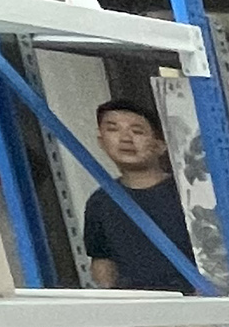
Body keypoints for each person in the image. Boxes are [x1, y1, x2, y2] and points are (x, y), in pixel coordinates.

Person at [80, 97, 200, 296]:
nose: (125, 138)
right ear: (101, 141)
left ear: (160, 145)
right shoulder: (100, 202)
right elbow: (102, 261)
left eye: (137, 131)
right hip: (137, 308)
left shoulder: (190, 192)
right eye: (112, 129)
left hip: (195, 304)